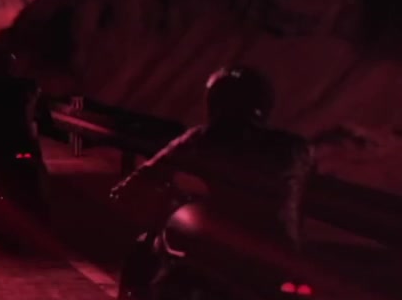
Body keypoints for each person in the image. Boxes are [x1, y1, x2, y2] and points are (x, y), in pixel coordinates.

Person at [110, 65, 313, 251]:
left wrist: (125, 192)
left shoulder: (203, 137)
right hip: (282, 250)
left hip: (223, 247)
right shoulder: (296, 147)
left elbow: (147, 175)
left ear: (215, 101)